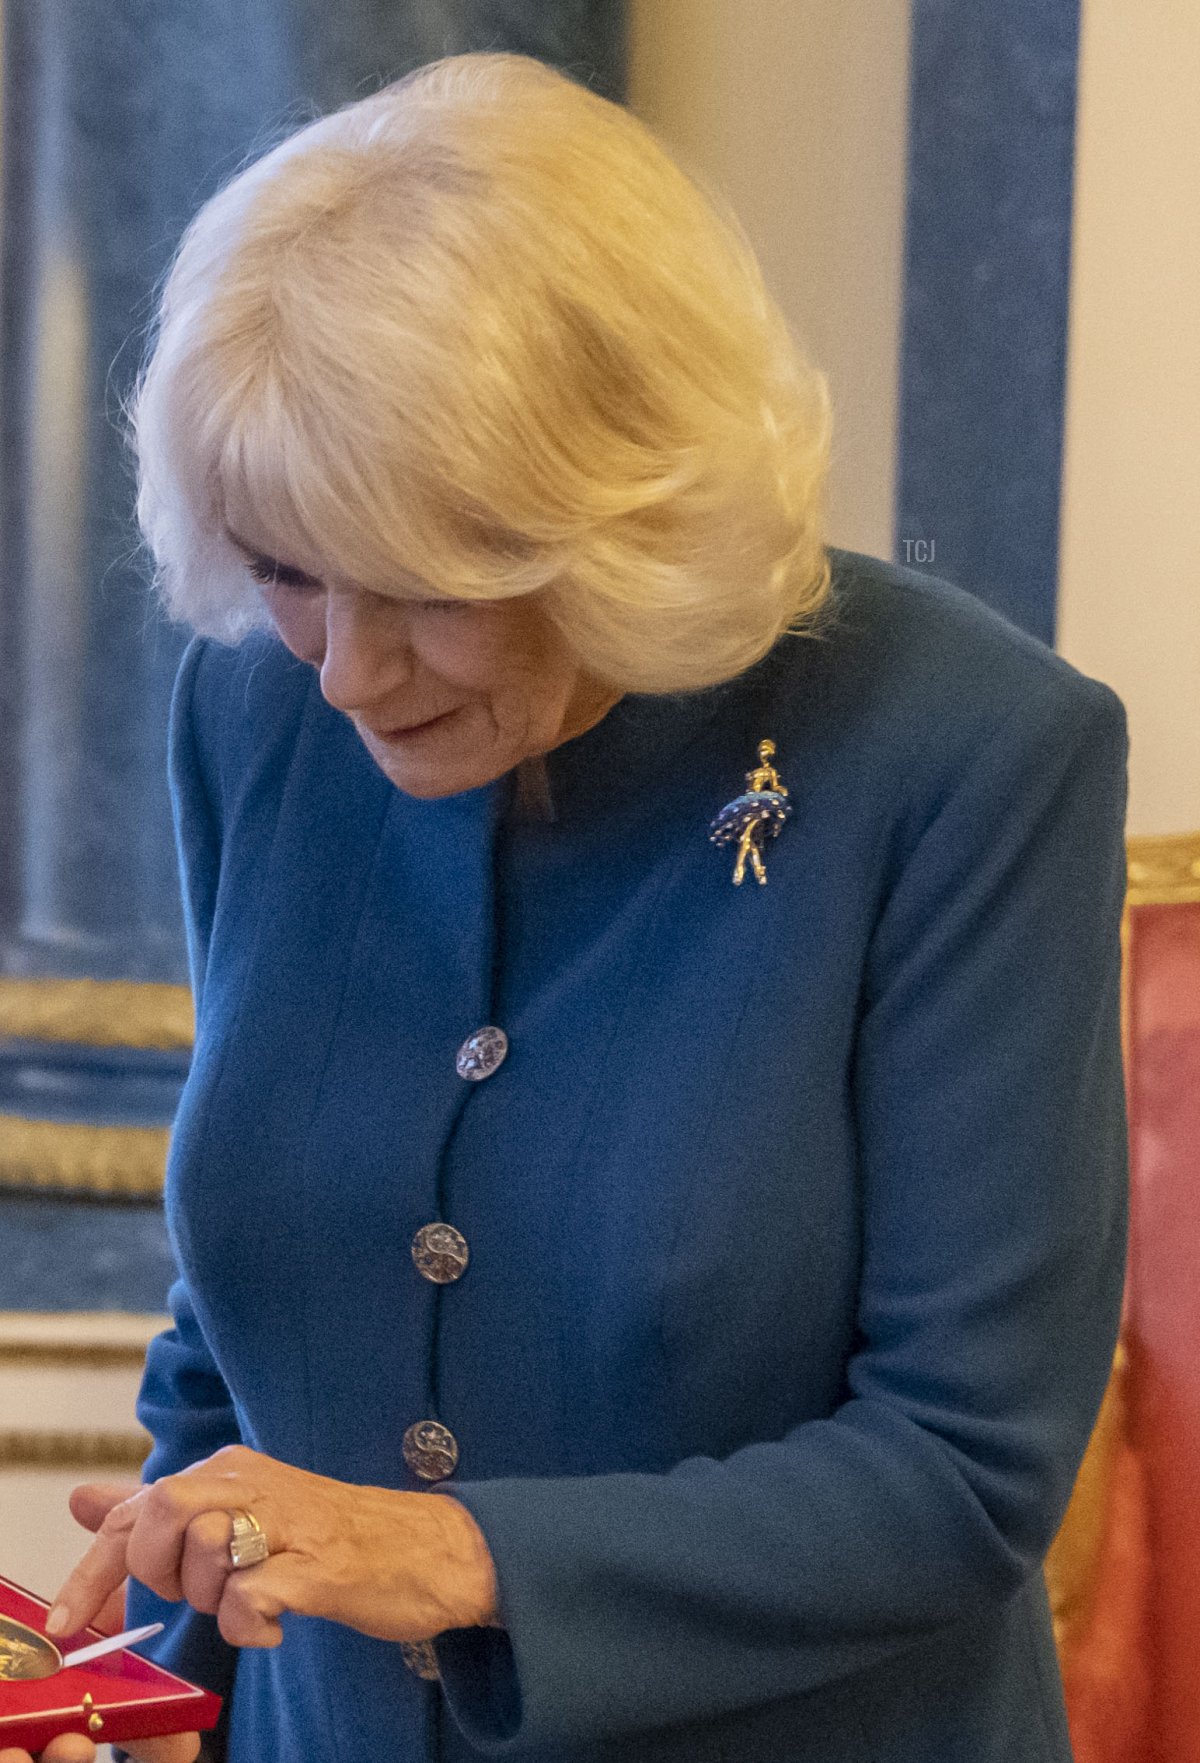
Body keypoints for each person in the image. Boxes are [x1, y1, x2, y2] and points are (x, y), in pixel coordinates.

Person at [4, 49, 1131, 1763]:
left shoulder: (969, 756)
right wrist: (163, 1667)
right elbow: (242, 1309)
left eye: (432, 588)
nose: (352, 675)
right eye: (297, 568)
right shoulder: (254, 705)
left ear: (621, 518)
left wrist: (450, 1553)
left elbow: (963, 1472)